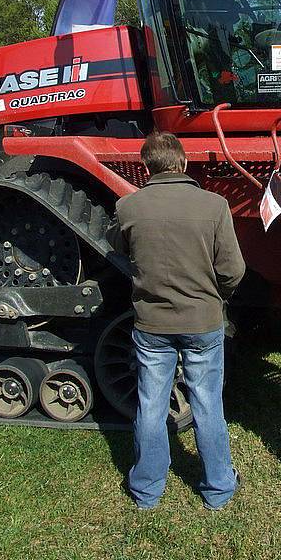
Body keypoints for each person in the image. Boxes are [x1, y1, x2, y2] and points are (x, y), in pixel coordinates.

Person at [107, 131, 246, 511]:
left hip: (152, 323)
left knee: (151, 405)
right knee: (206, 402)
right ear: (183, 163)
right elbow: (233, 269)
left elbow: (116, 247)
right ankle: (218, 486)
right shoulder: (214, 205)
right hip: (203, 320)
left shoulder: (128, 207)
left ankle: (147, 490)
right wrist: (219, 297)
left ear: (145, 167)